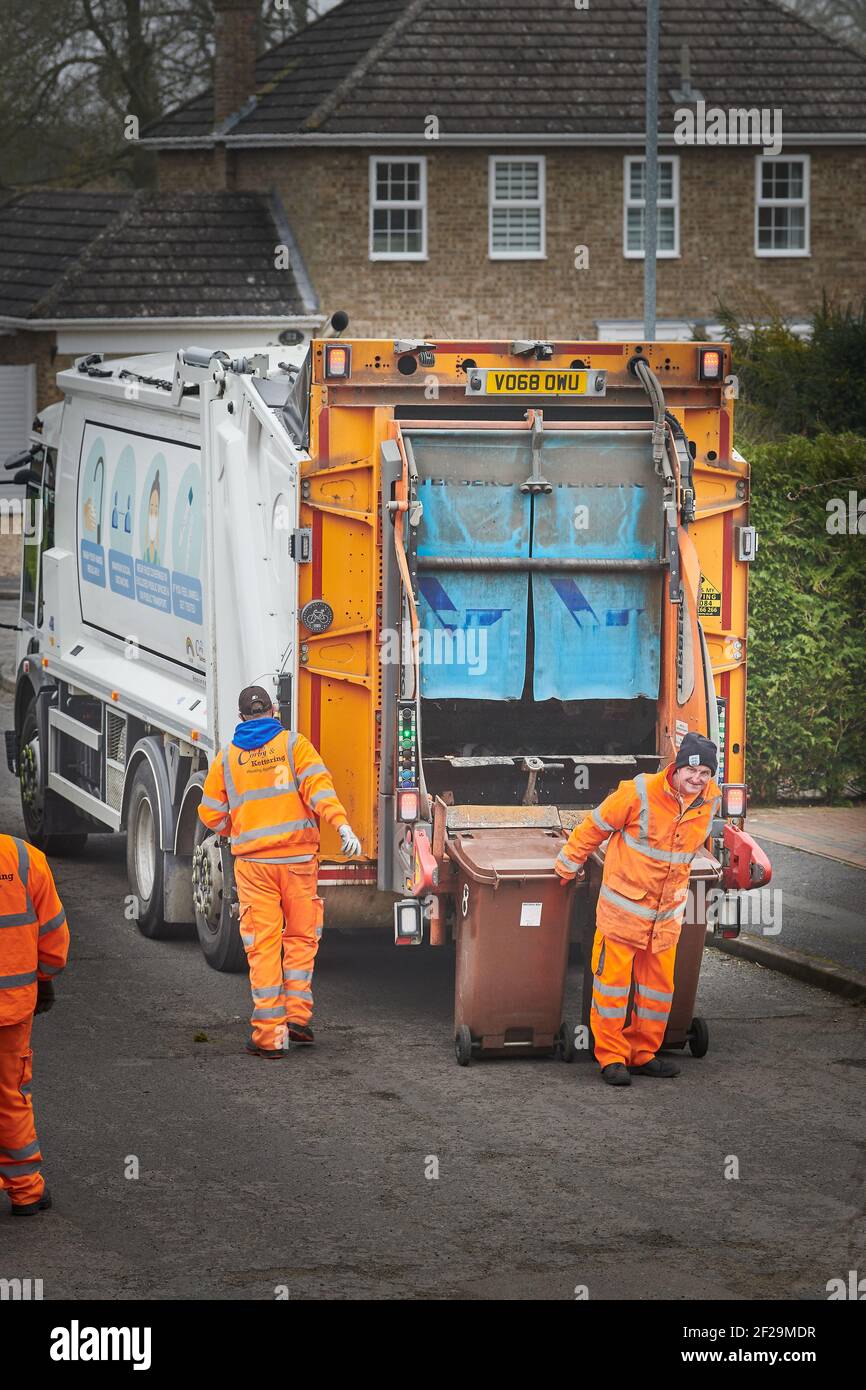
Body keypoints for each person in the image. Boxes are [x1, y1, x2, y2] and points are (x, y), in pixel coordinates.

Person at [198, 685, 361, 1058]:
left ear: (241, 718)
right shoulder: (294, 745)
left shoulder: (227, 759)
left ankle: (270, 1036)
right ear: (274, 711)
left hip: (255, 867)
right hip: (299, 863)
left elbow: (209, 813)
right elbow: (319, 789)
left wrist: (236, 829)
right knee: (302, 937)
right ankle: (297, 1019)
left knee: (263, 946)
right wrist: (341, 825)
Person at [554, 733, 721, 1087]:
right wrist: (568, 862)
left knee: (657, 991)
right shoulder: (639, 792)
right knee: (612, 988)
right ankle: (611, 1057)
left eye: (705, 773)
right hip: (623, 914)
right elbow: (595, 826)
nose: (697, 779)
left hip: (665, 920)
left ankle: (643, 1053)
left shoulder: (708, 803)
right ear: (676, 769)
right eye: (692, 771)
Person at [0, 835, 69, 1214]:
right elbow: (54, 933)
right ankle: (25, 1191)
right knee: (10, 1095)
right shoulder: (25, 859)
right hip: (10, 1007)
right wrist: (44, 977)